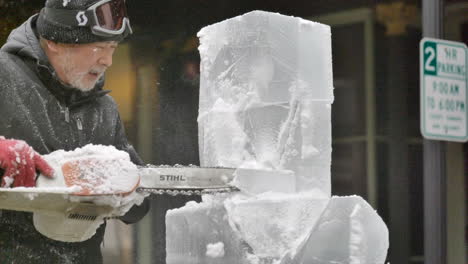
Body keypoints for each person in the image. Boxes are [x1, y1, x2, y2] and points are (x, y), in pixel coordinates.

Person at [0, 0, 149, 262]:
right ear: (56, 41)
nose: (108, 60)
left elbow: (139, 207)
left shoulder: (104, 109)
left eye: (112, 47)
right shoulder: (3, 78)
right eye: (99, 47)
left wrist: (125, 194)